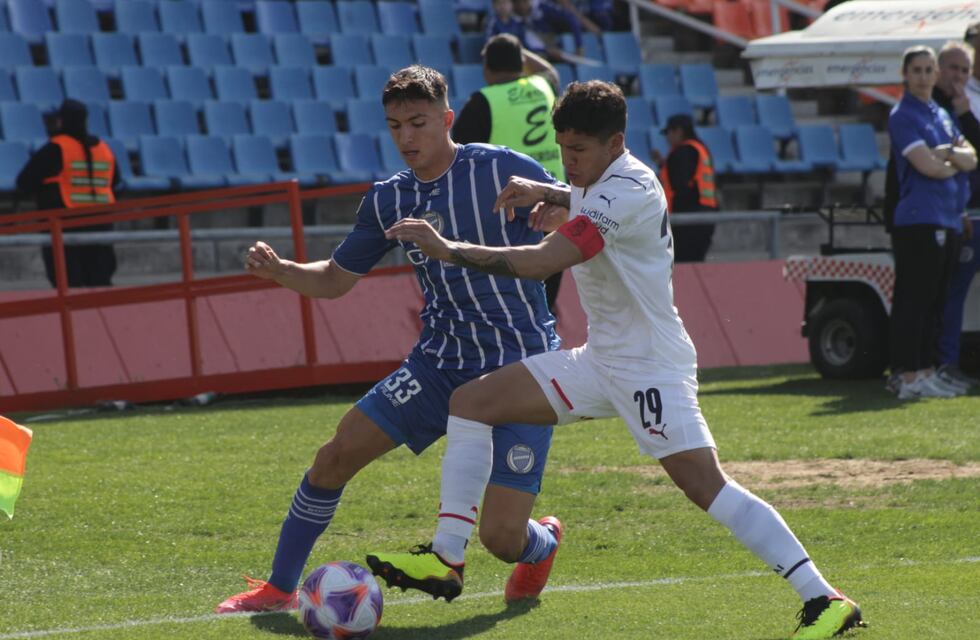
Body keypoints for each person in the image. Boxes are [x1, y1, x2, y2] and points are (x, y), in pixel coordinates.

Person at [367, 80, 866, 639]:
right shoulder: (595, 179)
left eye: (579, 150)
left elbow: (541, 262)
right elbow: (579, 195)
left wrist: (449, 248)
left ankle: (824, 598)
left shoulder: (627, 190)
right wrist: (549, 189)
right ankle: (446, 557)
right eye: (562, 148)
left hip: (649, 367)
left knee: (708, 488)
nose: (569, 160)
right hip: (599, 361)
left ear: (616, 143)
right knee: (471, 401)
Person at [214, 65, 564, 614]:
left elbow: (582, 204)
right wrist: (281, 269)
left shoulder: (500, 168)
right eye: (395, 125)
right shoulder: (388, 199)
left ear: (447, 120)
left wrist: (554, 205)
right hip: (438, 364)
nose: (406, 138)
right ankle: (279, 588)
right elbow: (334, 280)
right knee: (335, 455)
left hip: (520, 369)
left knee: (501, 539)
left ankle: (542, 544)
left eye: (419, 123)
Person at [887, 46, 977, 400]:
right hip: (919, 219)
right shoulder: (902, 115)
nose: (923, 76)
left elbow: (970, 157)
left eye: (928, 70)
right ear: (905, 75)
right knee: (915, 301)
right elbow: (928, 166)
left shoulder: (939, 112)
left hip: (946, 216)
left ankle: (926, 370)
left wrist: (949, 156)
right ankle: (908, 375)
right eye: (917, 70)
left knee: (936, 301)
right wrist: (953, 160)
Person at [453, 33, 566, 312]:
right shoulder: (543, 87)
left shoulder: (483, 101)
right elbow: (549, 71)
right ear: (521, 64)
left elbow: (458, 158)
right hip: (556, 210)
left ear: (486, 69)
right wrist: (518, 51)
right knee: (544, 305)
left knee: (510, 306)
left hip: (511, 217)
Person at [15, 99, 119, 288]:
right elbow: (116, 181)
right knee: (101, 286)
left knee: (70, 288)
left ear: (60, 121)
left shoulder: (56, 148)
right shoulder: (104, 148)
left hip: (65, 227)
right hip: (101, 226)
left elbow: (24, 182)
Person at [651, 113, 718, 263]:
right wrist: (663, 164)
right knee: (695, 263)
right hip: (706, 215)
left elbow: (680, 184)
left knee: (683, 263)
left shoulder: (683, 151)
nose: (667, 139)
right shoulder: (700, 149)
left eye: (668, 133)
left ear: (678, 131)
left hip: (688, 220)